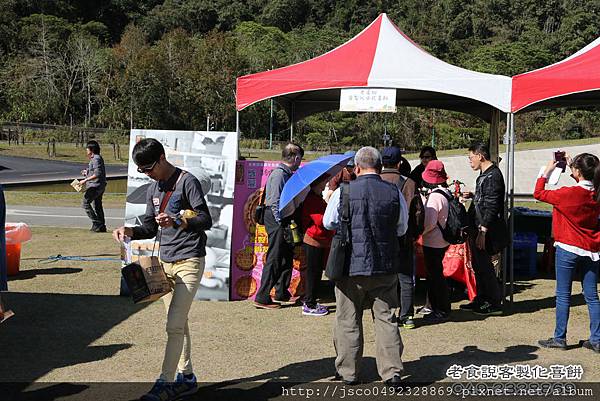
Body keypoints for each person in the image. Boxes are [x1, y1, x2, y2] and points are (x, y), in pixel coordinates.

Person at [112, 138, 212, 401]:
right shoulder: (152, 189)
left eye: (149, 168)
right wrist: (129, 231)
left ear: (162, 158)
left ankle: (164, 383)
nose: (147, 174)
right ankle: (187, 377)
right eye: (142, 171)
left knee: (173, 325)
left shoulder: (187, 182)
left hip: (189, 261)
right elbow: (148, 227)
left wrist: (178, 220)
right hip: (164, 263)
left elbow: (205, 218)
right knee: (179, 323)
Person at [324, 146, 408, 385]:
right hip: (385, 264)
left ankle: (348, 372)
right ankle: (392, 372)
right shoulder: (394, 192)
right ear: (380, 168)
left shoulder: (344, 192)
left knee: (347, 319)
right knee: (386, 319)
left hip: (350, 266)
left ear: (357, 168)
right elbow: (402, 228)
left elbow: (328, 222)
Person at [533, 153, 600, 353]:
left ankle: (560, 338)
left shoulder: (567, 194)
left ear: (578, 172)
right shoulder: (595, 193)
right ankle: (596, 339)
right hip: (591, 248)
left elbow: (539, 193)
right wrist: (573, 167)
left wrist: (546, 172)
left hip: (567, 247)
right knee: (592, 296)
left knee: (563, 295)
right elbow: (584, 186)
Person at [254, 143, 304, 309]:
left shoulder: (286, 174)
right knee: (275, 257)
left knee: (286, 255)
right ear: (296, 158)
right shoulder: (279, 174)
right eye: (300, 159)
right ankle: (262, 296)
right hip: (276, 219)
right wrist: (280, 221)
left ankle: (282, 290)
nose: (299, 162)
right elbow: (274, 201)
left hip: (282, 218)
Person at [462, 143, 504, 316]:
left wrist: (483, 231)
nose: (470, 161)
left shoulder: (493, 175)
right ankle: (481, 298)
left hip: (486, 229)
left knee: (486, 267)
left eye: (471, 157)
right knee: (478, 266)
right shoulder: (484, 175)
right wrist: (474, 195)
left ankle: (494, 302)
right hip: (477, 226)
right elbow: (485, 198)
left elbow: (493, 205)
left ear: (480, 156)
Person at [380, 146, 417, 329]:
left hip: (379, 238)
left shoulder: (375, 181)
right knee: (405, 277)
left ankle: (384, 314)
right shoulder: (408, 183)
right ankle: (407, 315)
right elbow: (417, 214)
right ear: (400, 163)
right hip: (403, 237)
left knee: (382, 277)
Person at [420, 160, 452, 322]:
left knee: (435, 277)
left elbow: (430, 222)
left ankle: (440, 308)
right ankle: (438, 306)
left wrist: (419, 234)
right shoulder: (446, 193)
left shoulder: (434, 197)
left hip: (433, 242)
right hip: (443, 240)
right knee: (437, 275)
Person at [300, 174, 334, 317]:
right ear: (316, 184)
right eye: (323, 183)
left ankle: (310, 300)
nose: (325, 185)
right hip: (313, 239)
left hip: (318, 239)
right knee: (313, 273)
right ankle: (310, 303)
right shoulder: (311, 200)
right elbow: (320, 221)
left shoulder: (316, 198)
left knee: (315, 272)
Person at [79, 140, 107, 232]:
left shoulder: (96, 158)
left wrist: (85, 180)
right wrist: (86, 172)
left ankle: (96, 223)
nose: (86, 150)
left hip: (95, 186)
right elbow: (94, 171)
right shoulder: (95, 158)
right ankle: (102, 226)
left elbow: (97, 173)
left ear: (91, 149)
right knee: (97, 205)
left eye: (87, 148)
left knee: (85, 203)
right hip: (98, 185)